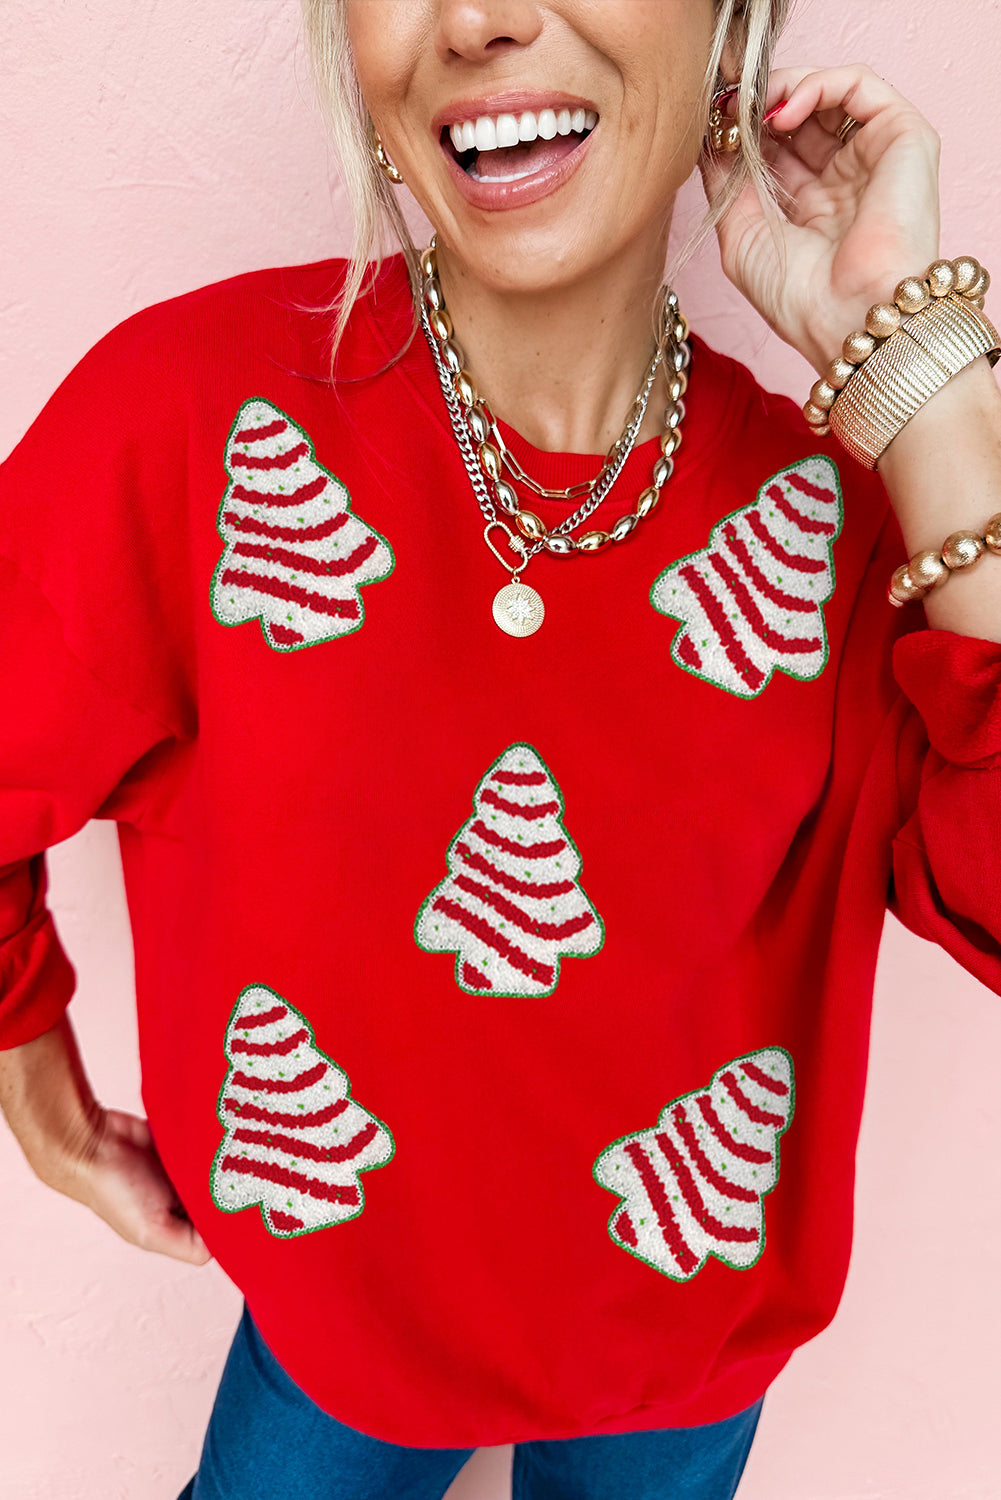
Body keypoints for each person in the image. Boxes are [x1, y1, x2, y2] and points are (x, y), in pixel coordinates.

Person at [2, 1, 1000, 1497]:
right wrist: (40, 1095)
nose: (477, 17)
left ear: (731, 25)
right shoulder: (186, 423)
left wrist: (920, 368)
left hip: (687, 1345)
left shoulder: (847, 532)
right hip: (331, 1329)